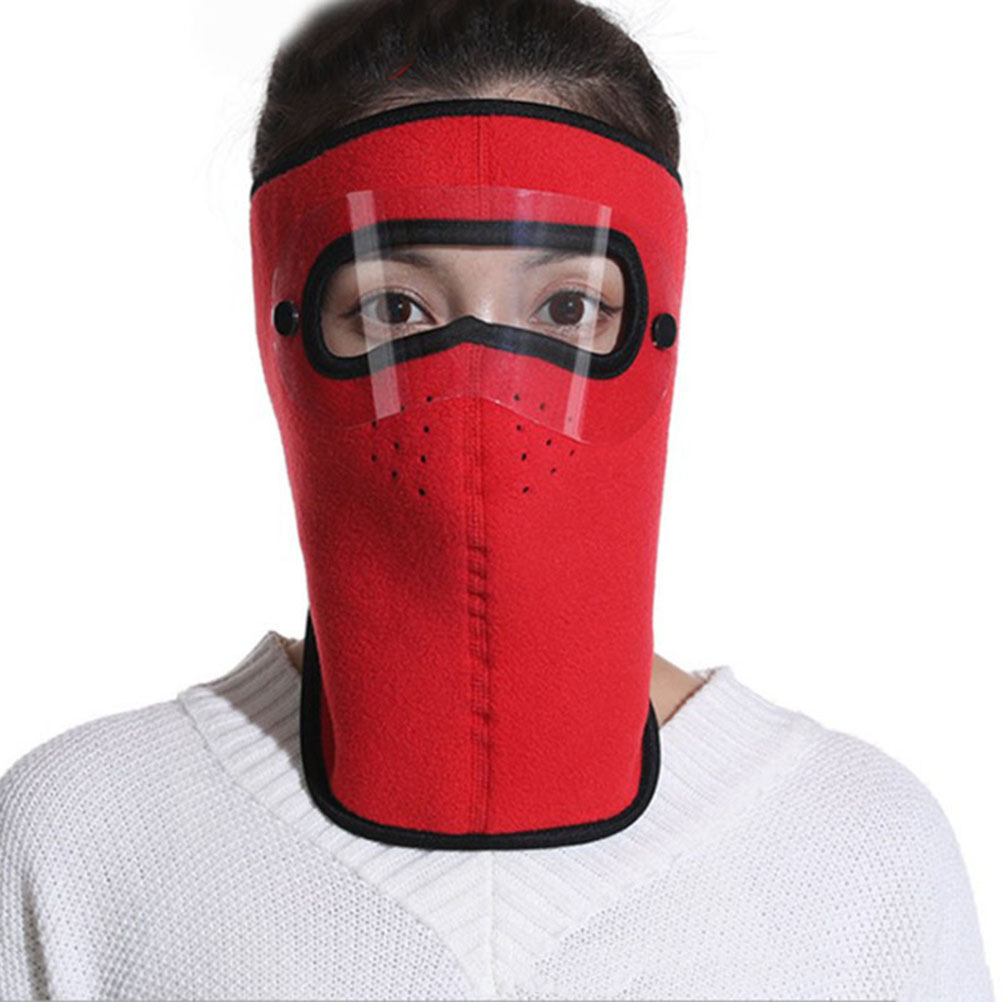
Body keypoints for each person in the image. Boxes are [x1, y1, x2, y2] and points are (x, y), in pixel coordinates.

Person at [0, 1, 994, 1000]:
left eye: (567, 307)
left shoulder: (862, 854)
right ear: (287, 330)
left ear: (655, 326)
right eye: (394, 307)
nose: (482, 390)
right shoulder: (83, 840)